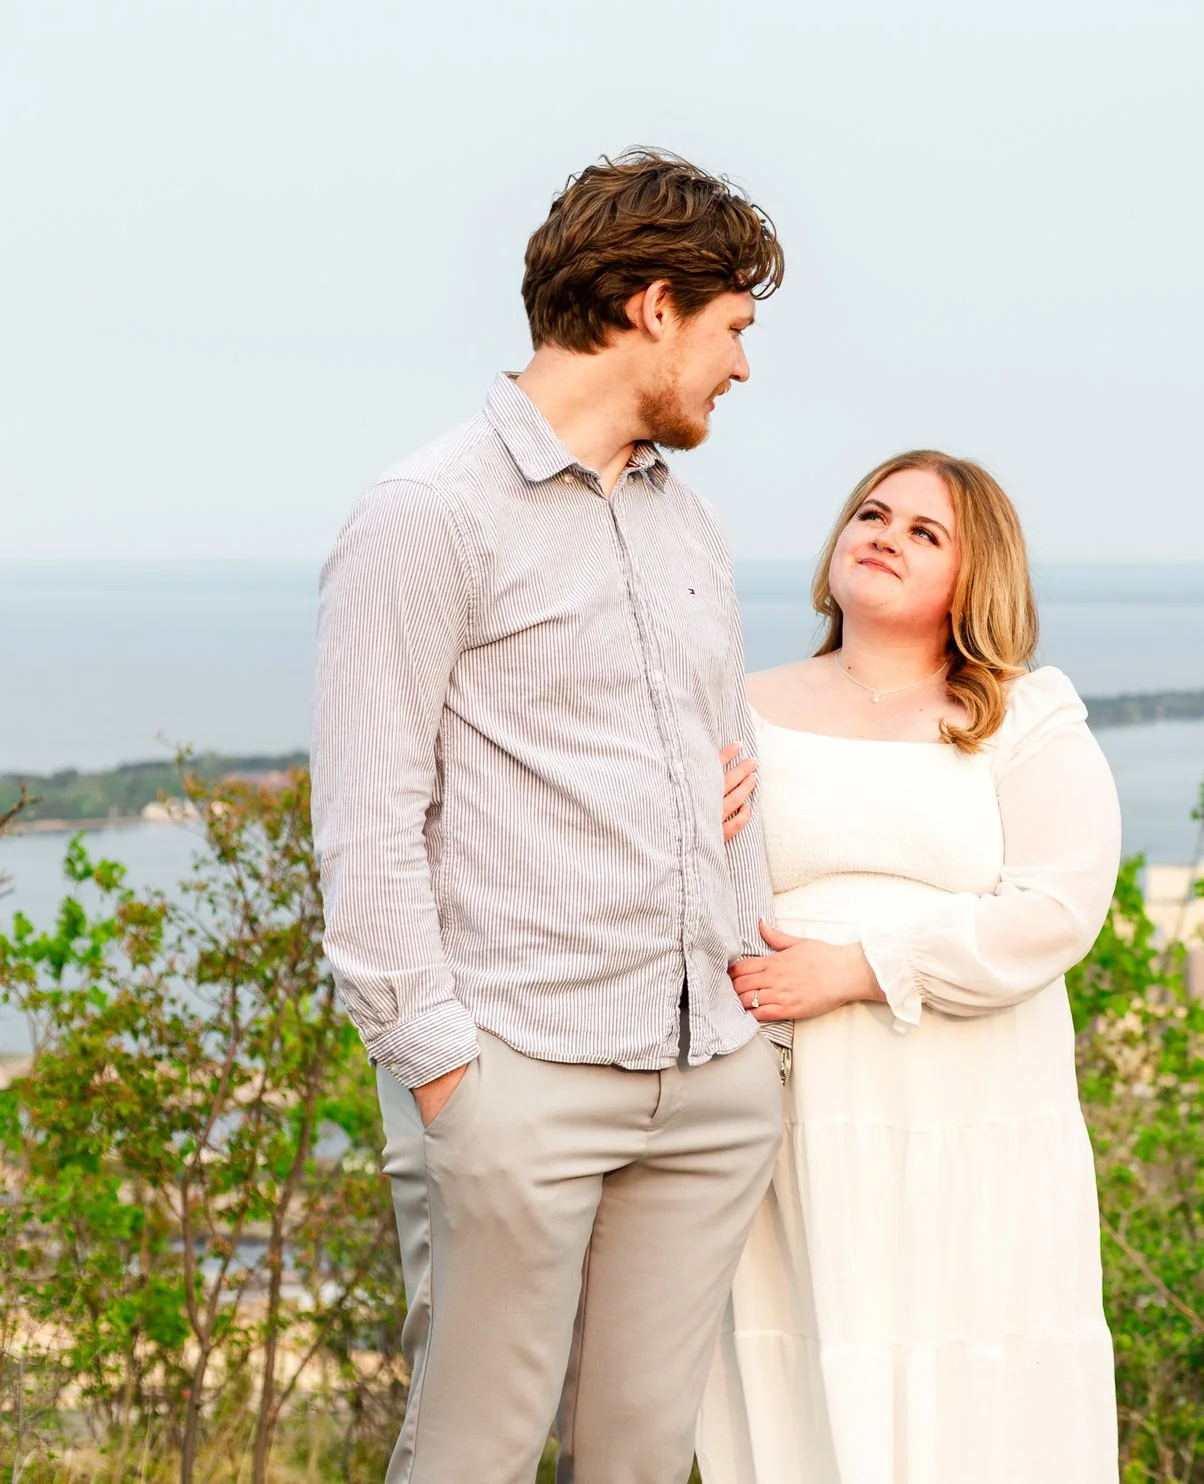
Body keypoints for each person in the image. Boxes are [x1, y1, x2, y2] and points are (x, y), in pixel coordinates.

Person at [311, 149, 790, 1484]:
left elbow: (731, 764)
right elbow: (367, 819)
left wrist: (752, 1019)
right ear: (653, 305)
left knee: (643, 1457)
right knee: (472, 1455)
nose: (742, 366)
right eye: (732, 327)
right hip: (518, 1074)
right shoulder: (426, 515)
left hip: (709, 1078)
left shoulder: (688, 523)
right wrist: (449, 1077)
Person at [696, 452, 1123, 1484]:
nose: (885, 535)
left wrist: (862, 967)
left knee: (972, 1372)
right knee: (805, 1361)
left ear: (976, 577)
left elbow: (1057, 911)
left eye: (925, 531)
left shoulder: (1022, 717)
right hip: (792, 1110)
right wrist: (684, 827)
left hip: (972, 1111)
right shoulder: (735, 706)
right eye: (873, 514)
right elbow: (673, 892)